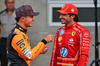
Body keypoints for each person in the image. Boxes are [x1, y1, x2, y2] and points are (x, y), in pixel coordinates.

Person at [0, 0, 16, 66]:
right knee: (3, 60)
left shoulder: (18, 13)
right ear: (5, 3)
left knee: (15, 61)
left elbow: (23, 26)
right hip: (4, 40)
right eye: (9, 2)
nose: (10, 4)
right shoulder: (1, 14)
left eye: (12, 2)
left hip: (15, 40)